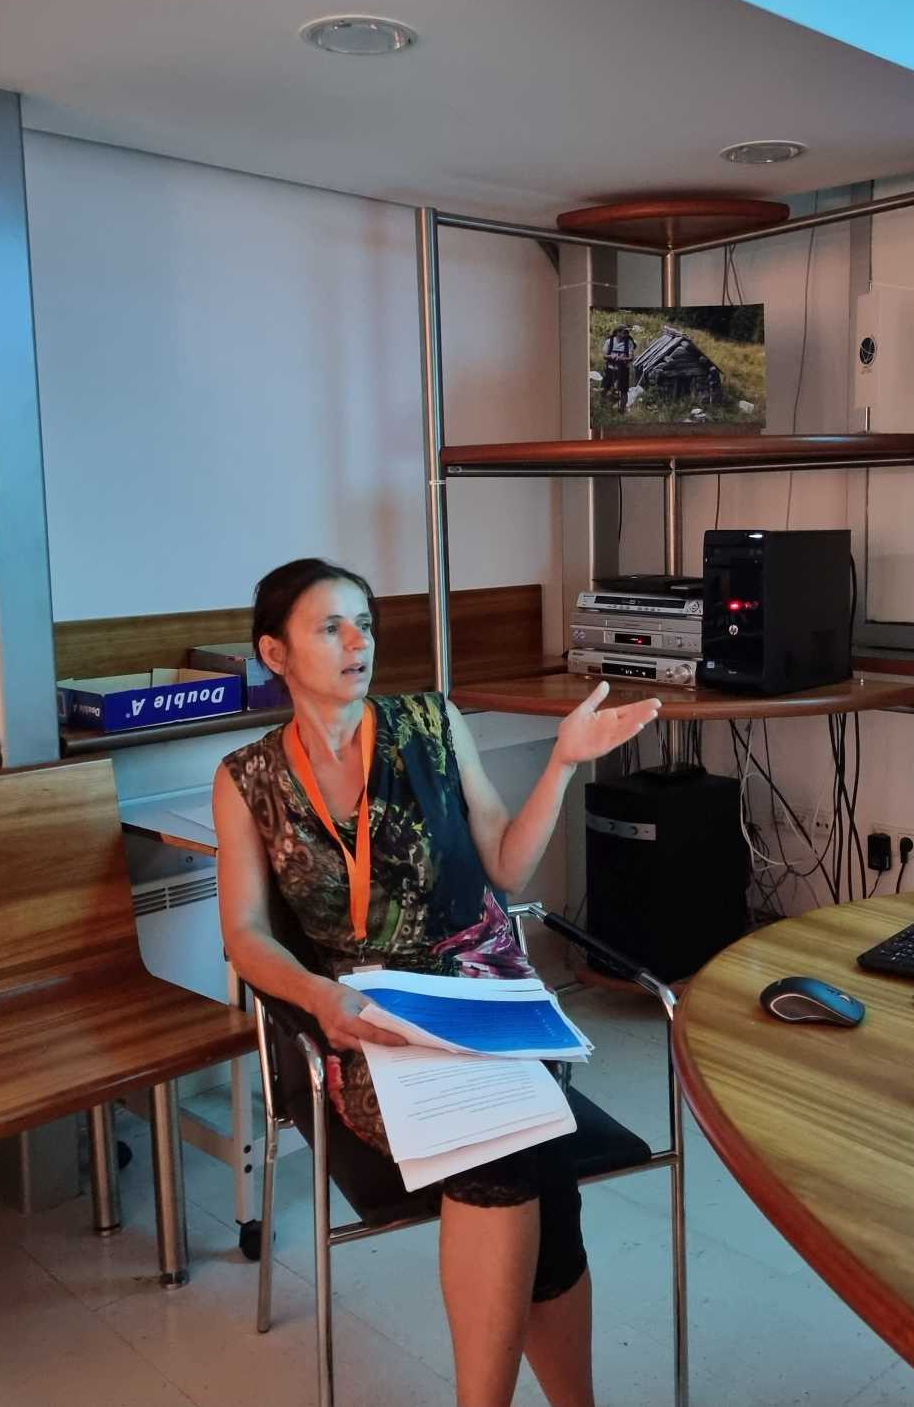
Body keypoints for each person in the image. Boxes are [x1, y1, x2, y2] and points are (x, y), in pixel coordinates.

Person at [213, 558, 660, 1407]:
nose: (358, 643)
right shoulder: (247, 779)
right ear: (275, 653)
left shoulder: (430, 722)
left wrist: (562, 764)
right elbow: (244, 934)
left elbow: (507, 868)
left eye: (365, 623)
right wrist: (319, 997)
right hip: (366, 1021)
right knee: (528, 1157)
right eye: (330, 628)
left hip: (487, 995)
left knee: (509, 1146)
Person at [601, 325, 634, 409]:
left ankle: (622, 409)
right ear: (617, 332)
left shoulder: (629, 342)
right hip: (610, 368)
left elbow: (631, 357)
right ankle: (602, 406)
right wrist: (612, 357)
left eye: (627, 332)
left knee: (624, 390)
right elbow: (604, 356)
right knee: (605, 388)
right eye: (624, 332)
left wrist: (621, 358)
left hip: (623, 369)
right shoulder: (609, 341)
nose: (627, 333)